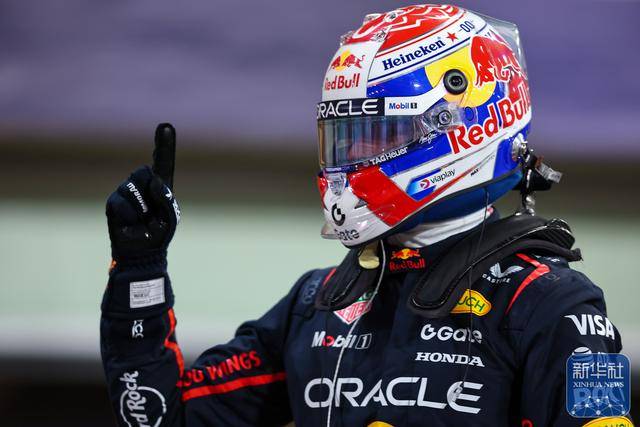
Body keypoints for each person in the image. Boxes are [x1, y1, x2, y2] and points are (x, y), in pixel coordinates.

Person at [100, 5, 632, 427]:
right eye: (344, 137)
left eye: (377, 134)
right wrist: (139, 271)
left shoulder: (555, 304)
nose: (352, 158)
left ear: (465, 126)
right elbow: (160, 416)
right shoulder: (317, 301)